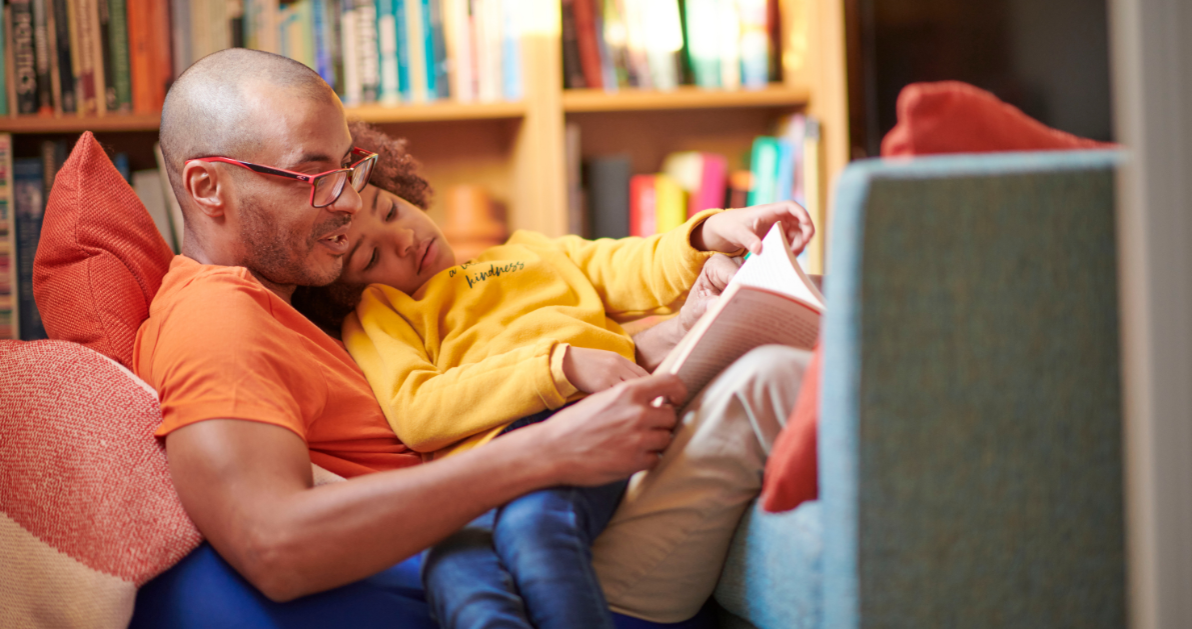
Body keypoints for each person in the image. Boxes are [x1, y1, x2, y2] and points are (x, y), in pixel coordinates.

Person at [135, 47, 812, 624]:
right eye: (314, 175)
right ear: (208, 188)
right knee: (774, 380)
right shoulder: (218, 318)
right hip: (528, 551)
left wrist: (679, 316)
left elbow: (535, 330)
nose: (347, 201)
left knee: (767, 344)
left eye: (350, 169)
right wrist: (548, 451)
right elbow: (272, 543)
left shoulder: (299, 309)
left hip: (542, 518)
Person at [285, 120, 813, 629]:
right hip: (485, 476)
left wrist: (710, 231)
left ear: (404, 192)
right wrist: (560, 364)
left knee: (536, 529)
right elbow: (419, 410)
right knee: (451, 571)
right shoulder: (381, 315)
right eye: (371, 257)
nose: (402, 239)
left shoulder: (526, 254)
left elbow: (631, 263)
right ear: (343, 290)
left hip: (591, 429)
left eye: (390, 210)